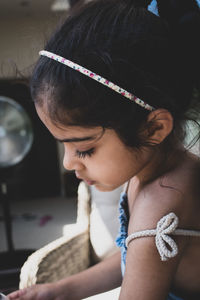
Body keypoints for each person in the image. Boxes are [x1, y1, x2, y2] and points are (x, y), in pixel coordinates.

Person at [7, 0, 200, 299]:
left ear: (154, 129)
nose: (70, 164)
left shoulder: (163, 201)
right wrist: (60, 290)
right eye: (64, 148)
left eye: (84, 149)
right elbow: (134, 260)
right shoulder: (152, 172)